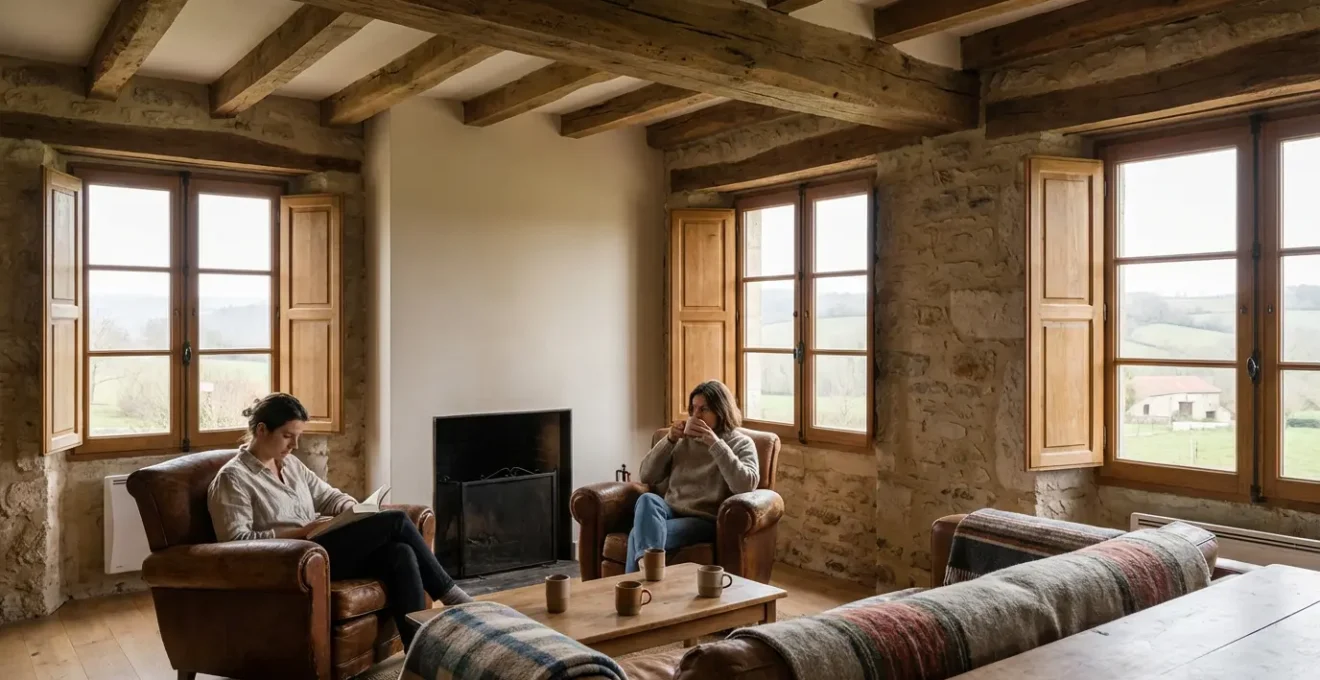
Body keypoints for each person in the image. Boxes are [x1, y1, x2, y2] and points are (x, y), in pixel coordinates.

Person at [207, 392, 472, 650]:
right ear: (262, 430)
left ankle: (418, 653)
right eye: (287, 436)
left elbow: (329, 496)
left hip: (321, 553)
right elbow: (235, 542)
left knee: (400, 553)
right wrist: (300, 532)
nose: (294, 446)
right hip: (290, 562)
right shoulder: (233, 478)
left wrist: (355, 512)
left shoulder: (291, 465)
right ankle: (453, 597)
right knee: (396, 520)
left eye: (298, 437)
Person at [626, 380, 760, 573]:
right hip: (670, 510)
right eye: (693, 408)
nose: (696, 415)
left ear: (720, 411)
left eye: (703, 409)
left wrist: (716, 444)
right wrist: (669, 440)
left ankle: (634, 590)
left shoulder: (741, 443)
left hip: (703, 519)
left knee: (636, 535)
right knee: (647, 499)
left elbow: (745, 485)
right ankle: (647, 573)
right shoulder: (681, 440)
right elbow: (647, 475)